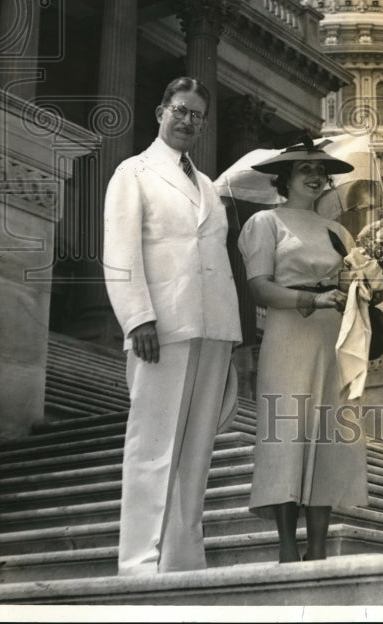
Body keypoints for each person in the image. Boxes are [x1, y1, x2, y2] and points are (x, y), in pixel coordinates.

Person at [103, 77, 242, 575]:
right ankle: (139, 563)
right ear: (161, 112)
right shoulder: (133, 172)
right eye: (180, 111)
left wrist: (232, 336)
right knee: (153, 444)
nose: (187, 121)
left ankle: (182, 558)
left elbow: (217, 259)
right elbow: (120, 253)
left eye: (197, 115)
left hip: (212, 328)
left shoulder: (207, 185)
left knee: (196, 449)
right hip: (161, 327)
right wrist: (137, 316)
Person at [238, 140, 372, 563]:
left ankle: (317, 547)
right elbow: (259, 286)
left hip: (333, 336)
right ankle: (286, 545)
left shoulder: (339, 231)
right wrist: (312, 301)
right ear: (285, 178)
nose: (316, 177)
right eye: (304, 170)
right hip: (288, 333)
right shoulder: (265, 222)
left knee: (327, 437)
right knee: (287, 433)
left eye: (321, 170)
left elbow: (355, 283)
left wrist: (367, 281)